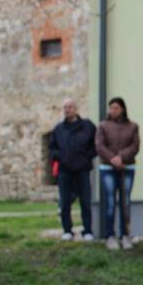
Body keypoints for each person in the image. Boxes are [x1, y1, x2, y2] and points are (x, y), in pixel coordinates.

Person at [96, 97, 140, 250]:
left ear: (122, 109)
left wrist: (121, 157)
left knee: (125, 202)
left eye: (116, 108)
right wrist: (112, 159)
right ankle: (110, 235)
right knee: (109, 202)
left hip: (127, 168)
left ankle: (125, 235)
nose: (112, 111)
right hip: (108, 169)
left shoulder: (132, 126)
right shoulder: (102, 126)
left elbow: (135, 146)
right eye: (111, 108)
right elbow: (99, 145)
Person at [49, 98, 96, 241]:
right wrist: (60, 156)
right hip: (65, 170)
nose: (67, 109)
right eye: (65, 107)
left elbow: (96, 145)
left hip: (82, 170)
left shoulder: (87, 126)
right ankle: (67, 230)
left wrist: (86, 157)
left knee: (85, 201)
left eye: (70, 107)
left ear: (76, 109)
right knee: (64, 201)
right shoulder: (58, 129)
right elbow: (52, 148)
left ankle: (87, 230)